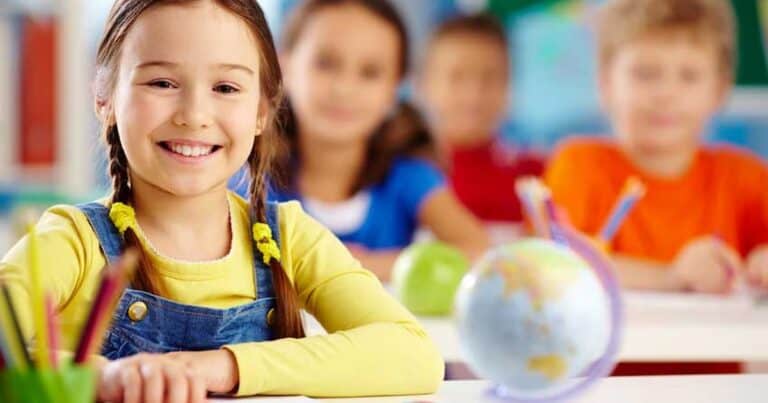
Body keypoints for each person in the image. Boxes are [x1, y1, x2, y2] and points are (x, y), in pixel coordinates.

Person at [0, 1, 443, 401]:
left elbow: (414, 353)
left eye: (226, 88)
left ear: (262, 111)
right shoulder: (74, 241)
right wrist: (103, 378)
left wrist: (227, 365)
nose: (193, 114)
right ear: (104, 98)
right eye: (161, 82)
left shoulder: (290, 237)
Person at [254, 0, 489, 279]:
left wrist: (361, 266)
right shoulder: (252, 177)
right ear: (285, 67)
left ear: (395, 89)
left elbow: (478, 250)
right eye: (326, 63)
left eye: (370, 72)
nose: (344, 89)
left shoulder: (410, 177)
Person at [545, 0, 768, 293]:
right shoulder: (579, 165)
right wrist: (673, 277)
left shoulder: (745, 177)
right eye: (645, 73)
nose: (666, 94)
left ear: (719, 90)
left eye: (689, 76)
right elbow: (557, 264)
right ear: (605, 84)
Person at [417, 13, 545, 223]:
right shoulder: (400, 173)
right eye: (456, 77)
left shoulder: (535, 179)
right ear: (424, 85)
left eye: (490, 77)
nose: (473, 94)